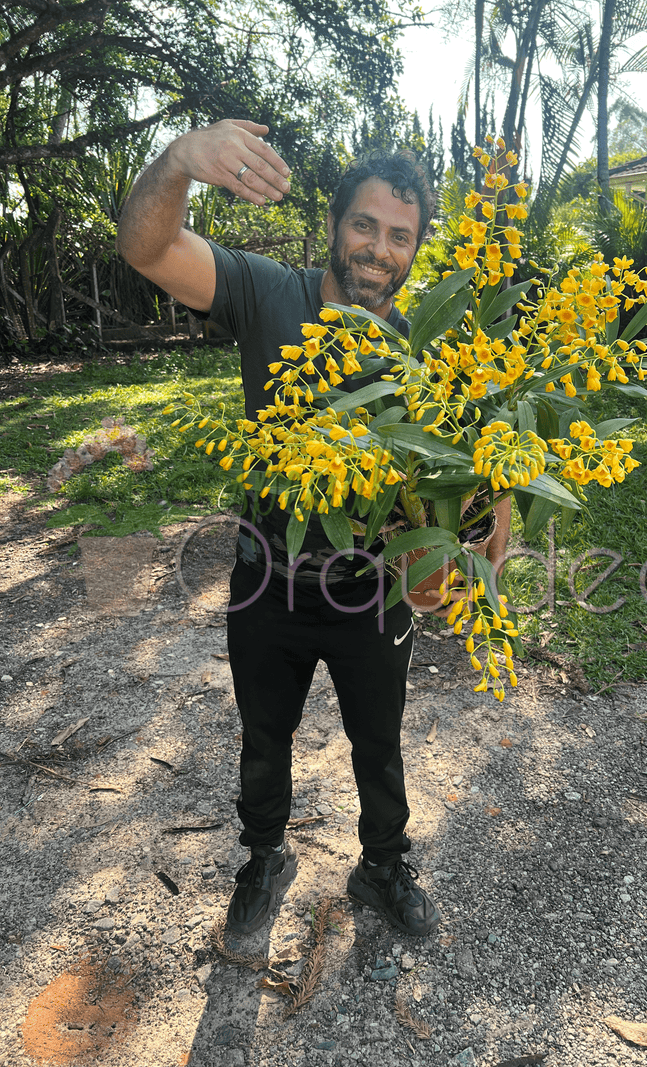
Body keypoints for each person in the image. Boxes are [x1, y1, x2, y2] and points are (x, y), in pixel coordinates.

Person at [116, 119, 448, 941]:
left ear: (415, 252)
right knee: (265, 737)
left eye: (399, 236)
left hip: (373, 592)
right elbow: (148, 250)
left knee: (380, 740)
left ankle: (381, 867)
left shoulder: (425, 351)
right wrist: (178, 162)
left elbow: (466, 479)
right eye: (365, 225)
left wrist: (472, 551)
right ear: (335, 226)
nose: (379, 247)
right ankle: (264, 854)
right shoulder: (269, 293)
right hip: (268, 579)